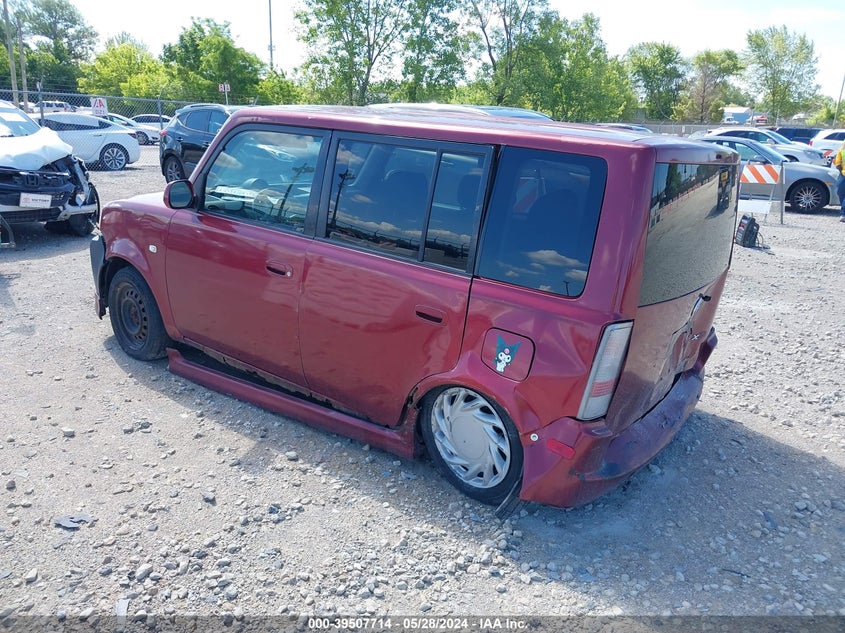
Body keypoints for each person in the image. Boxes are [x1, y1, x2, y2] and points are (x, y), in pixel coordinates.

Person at [834, 141, 845, 222]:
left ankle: (843, 213)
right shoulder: (843, 145)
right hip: (843, 173)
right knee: (840, 192)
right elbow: (839, 155)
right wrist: (838, 165)